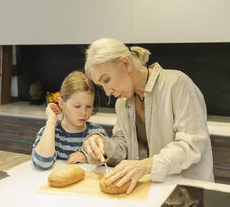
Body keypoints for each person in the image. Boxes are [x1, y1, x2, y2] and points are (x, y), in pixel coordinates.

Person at [82, 38, 214, 194]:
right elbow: (123, 147)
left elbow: (191, 146)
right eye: (101, 85)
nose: (107, 92)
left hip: (188, 194)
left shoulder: (177, 84)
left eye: (107, 80)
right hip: (149, 193)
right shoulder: (122, 103)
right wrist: (101, 145)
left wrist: (146, 165)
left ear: (126, 64)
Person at [32, 71, 107, 169]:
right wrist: (51, 122)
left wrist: (87, 157)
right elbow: (42, 164)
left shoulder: (97, 133)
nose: (84, 113)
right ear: (61, 103)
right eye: (77, 106)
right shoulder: (51, 133)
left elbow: (105, 160)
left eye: (89, 106)